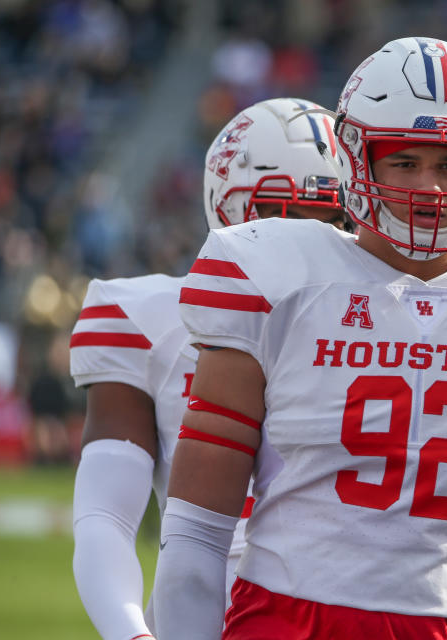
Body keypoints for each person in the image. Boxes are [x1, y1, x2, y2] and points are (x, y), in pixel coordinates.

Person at [153, 38, 447, 640]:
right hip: (286, 623)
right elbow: (197, 531)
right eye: (405, 161)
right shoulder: (274, 275)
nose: (432, 188)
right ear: (357, 158)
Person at [69, 97, 345, 640]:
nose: (314, 240)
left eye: (334, 219)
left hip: (344, 613)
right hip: (201, 615)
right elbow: (106, 514)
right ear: (227, 203)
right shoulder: (147, 317)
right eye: (287, 213)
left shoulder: (388, 325)